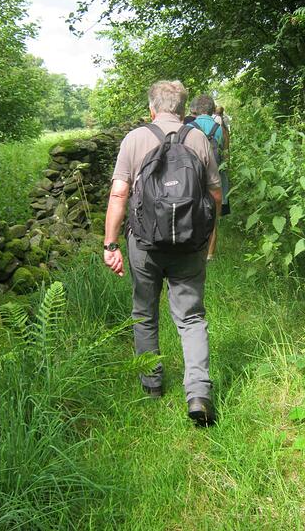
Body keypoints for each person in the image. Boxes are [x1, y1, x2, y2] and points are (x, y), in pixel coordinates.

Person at [103, 80, 222, 426]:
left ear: (152, 109)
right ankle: (198, 393)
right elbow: (215, 196)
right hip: (189, 244)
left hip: (144, 244)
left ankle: (152, 385)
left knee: (144, 312)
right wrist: (209, 238)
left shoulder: (135, 139)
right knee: (191, 317)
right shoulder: (198, 138)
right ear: (183, 111)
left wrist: (111, 245)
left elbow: (118, 195)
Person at [189, 94, 225, 260]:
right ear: (212, 110)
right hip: (215, 175)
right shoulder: (220, 129)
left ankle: (193, 250)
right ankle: (210, 255)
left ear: (194, 109)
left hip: (192, 178)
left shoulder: (188, 127)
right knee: (213, 215)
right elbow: (225, 152)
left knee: (192, 212)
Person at [212, 105, 231, 216]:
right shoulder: (223, 124)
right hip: (221, 156)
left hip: (213, 155)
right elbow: (226, 147)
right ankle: (222, 206)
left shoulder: (214, 120)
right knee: (222, 180)